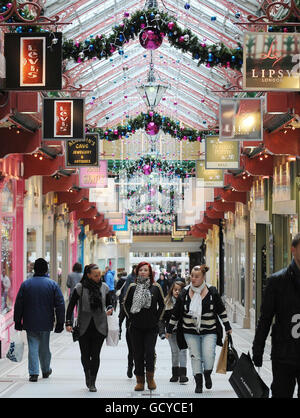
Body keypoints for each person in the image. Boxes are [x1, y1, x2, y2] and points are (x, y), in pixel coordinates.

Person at [166, 265, 232, 394]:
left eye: (197, 276)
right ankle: (199, 382)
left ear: (203, 277)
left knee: (208, 355)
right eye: (192, 276)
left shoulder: (212, 291)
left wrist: (227, 326)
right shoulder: (185, 292)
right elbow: (176, 313)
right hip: (189, 331)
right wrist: (169, 329)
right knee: (195, 356)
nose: (193, 279)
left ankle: (207, 373)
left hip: (209, 330)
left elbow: (220, 310)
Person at [252, 233, 300, 398]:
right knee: (281, 394)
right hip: (284, 353)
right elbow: (265, 318)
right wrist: (257, 349)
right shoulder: (277, 282)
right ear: (293, 249)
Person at [13, 258, 65, 382]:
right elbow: (60, 304)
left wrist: (17, 321)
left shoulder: (26, 284)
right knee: (44, 347)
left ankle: (33, 373)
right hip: (46, 321)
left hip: (30, 321)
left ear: (34, 269)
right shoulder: (52, 284)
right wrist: (60, 322)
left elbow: (19, 304)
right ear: (46, 269)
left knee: (33, 346)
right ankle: (46, 370)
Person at [65, 264, 113, 392]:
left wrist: (110, 309)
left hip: (100, 327)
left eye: (99, 275)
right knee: (85, 355)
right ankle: (87, 373)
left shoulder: (104, 288)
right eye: (96, 275)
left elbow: (109, 304)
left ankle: (93, 381)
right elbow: (71, 306)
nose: (99, 277)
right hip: (83, 327)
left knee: (95, 355)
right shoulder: (80, 288)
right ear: (88, 275)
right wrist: (68, 322)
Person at [123, 261, 165, 391]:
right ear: (137, 272)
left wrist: (156, 319)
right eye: (140, 270)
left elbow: (162, 305)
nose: (142, 272)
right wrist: (131, 317)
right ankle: (140, 380)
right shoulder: (132, 287)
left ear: (150, 272)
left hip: (151, 327)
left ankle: (150, 378)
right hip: (135, 327)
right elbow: (125, 304)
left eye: (145, 270)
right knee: (138, 353)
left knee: (149, 352)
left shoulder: (156, 287)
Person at [159, 281, 188, 383]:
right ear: (172, 290)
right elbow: (161, 319)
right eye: (175, 289)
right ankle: (175, 374)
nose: (177, 292)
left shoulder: (186, 301)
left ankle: (183, 374)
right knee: (175, 352)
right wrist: (162, 332)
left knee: (183, 351)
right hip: (170, 332)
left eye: (179, 290)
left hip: (183, 331)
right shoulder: (167, 302)